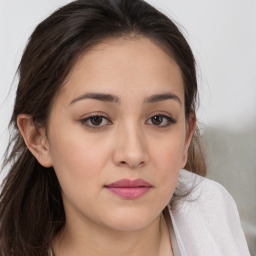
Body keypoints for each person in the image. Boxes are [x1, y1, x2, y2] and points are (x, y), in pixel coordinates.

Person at [0, 0, 250, 255]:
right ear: (38, 138)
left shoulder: (211, 212)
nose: (133, 154)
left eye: (158, 119)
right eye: (96, 120)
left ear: (186, 136)